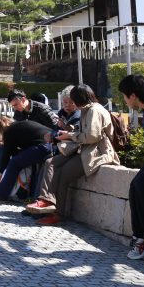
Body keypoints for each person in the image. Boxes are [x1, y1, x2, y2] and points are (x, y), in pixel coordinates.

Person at [25, 84, 120, 225]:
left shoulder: (94, 110)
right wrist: (70, 134)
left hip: (95, 153)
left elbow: (92, 136)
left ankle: (58, 214)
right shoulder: (88, 109)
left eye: (73, 100)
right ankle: (46, 200)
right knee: (50, 162)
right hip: (84, 150)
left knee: (63, 174)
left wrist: (70, 135)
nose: (72, 103)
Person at [118, 74, 144, 264]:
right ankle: (140, 237)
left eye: (125, 96)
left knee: (142, 185)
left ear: (132, 95)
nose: (124, 100)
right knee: (135, 186)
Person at [0, 116, 53, 202]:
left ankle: (1, 195)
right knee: (16, 160)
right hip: (51, 141)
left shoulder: (8, 132)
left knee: (14, 163)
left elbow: (6, 155)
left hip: (43, 146)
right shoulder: (19, 125)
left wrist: (1, 173)